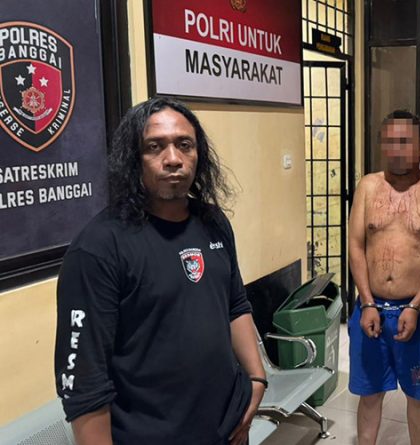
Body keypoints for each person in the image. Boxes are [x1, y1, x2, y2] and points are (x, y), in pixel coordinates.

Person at [54, 97, 265, 445]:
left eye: (185, 145)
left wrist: (256, 379)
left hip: (229, 429)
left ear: (199, 155)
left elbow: (235, 304)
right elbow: (85, 384)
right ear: (133, 158)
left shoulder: (213, 222)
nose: (173, 159)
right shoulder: (98, 248)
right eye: (155, 147)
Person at [348, 110, 420, 445]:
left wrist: (415, 305)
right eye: (390, 141)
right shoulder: (368, 186)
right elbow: (355, 246)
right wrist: (367, 302)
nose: (396, 149)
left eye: (405, 141)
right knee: (370, 393)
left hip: (417, 312)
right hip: (370, 308)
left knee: (419, 394)